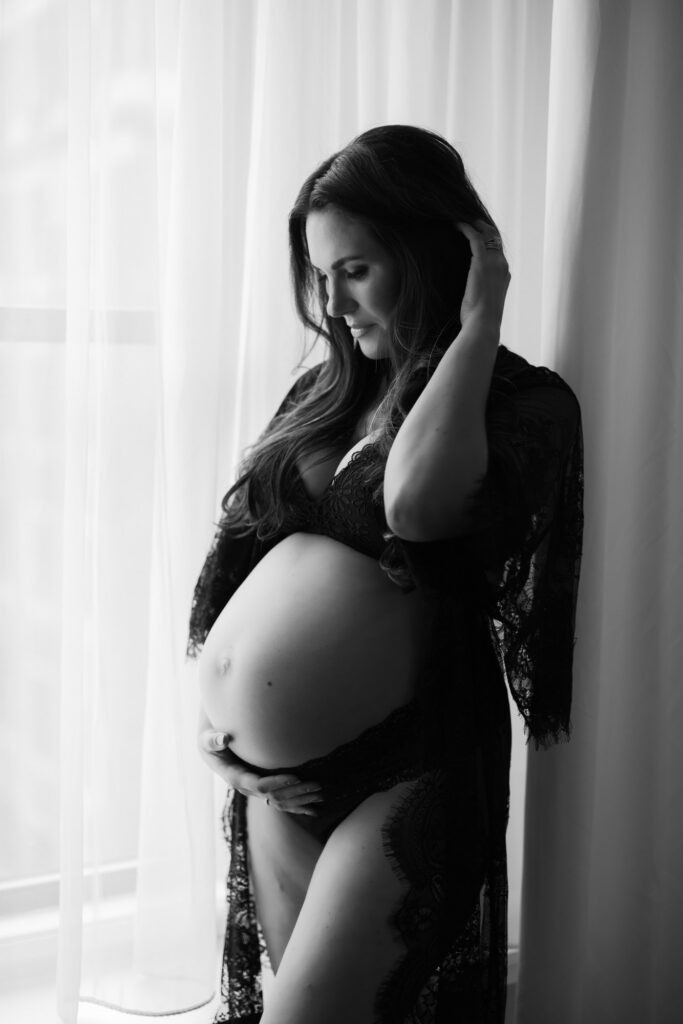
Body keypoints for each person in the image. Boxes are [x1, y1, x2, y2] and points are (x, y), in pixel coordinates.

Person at [186, 124, 584, 1024]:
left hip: (412, 764)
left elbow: (414, 508)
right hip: (282, 786)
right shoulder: (322, 396)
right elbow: (237, 562)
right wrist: (211, 729)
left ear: (439, 252)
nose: (332, 303)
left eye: (355, 270)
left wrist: (476, 324)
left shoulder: (523, 406)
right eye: (320, 276)